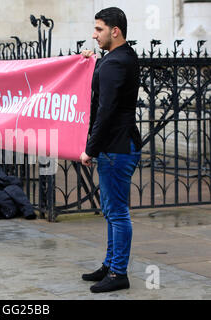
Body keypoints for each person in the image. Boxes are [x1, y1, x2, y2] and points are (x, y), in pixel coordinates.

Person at [79, 7, 142, 293]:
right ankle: (110, 263)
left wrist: (89, 149)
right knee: (111, 211)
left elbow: (106, 110)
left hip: (116, 147)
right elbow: (104, 86)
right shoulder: (120, 57)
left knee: (117, 213)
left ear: (115, 31)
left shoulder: (117, 63)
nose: (94, 35)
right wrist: (90, 62)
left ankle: (119, 273)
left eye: (99, 29)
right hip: (117, 145)